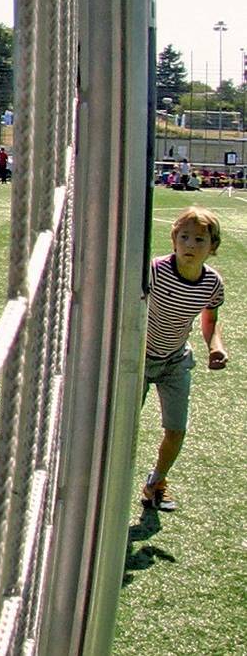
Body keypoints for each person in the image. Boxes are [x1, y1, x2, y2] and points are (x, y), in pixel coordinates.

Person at [138, 207, 227, 512]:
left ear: (212, 247)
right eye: (184, 237)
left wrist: (215, 347)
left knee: (176, 430)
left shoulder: (212, 284)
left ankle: (156, 483)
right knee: (120, 425)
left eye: (199, 239)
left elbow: (210, 319)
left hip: (176, 361)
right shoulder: (154, 271)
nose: (190, 245)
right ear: (174, 239)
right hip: (136, 360)